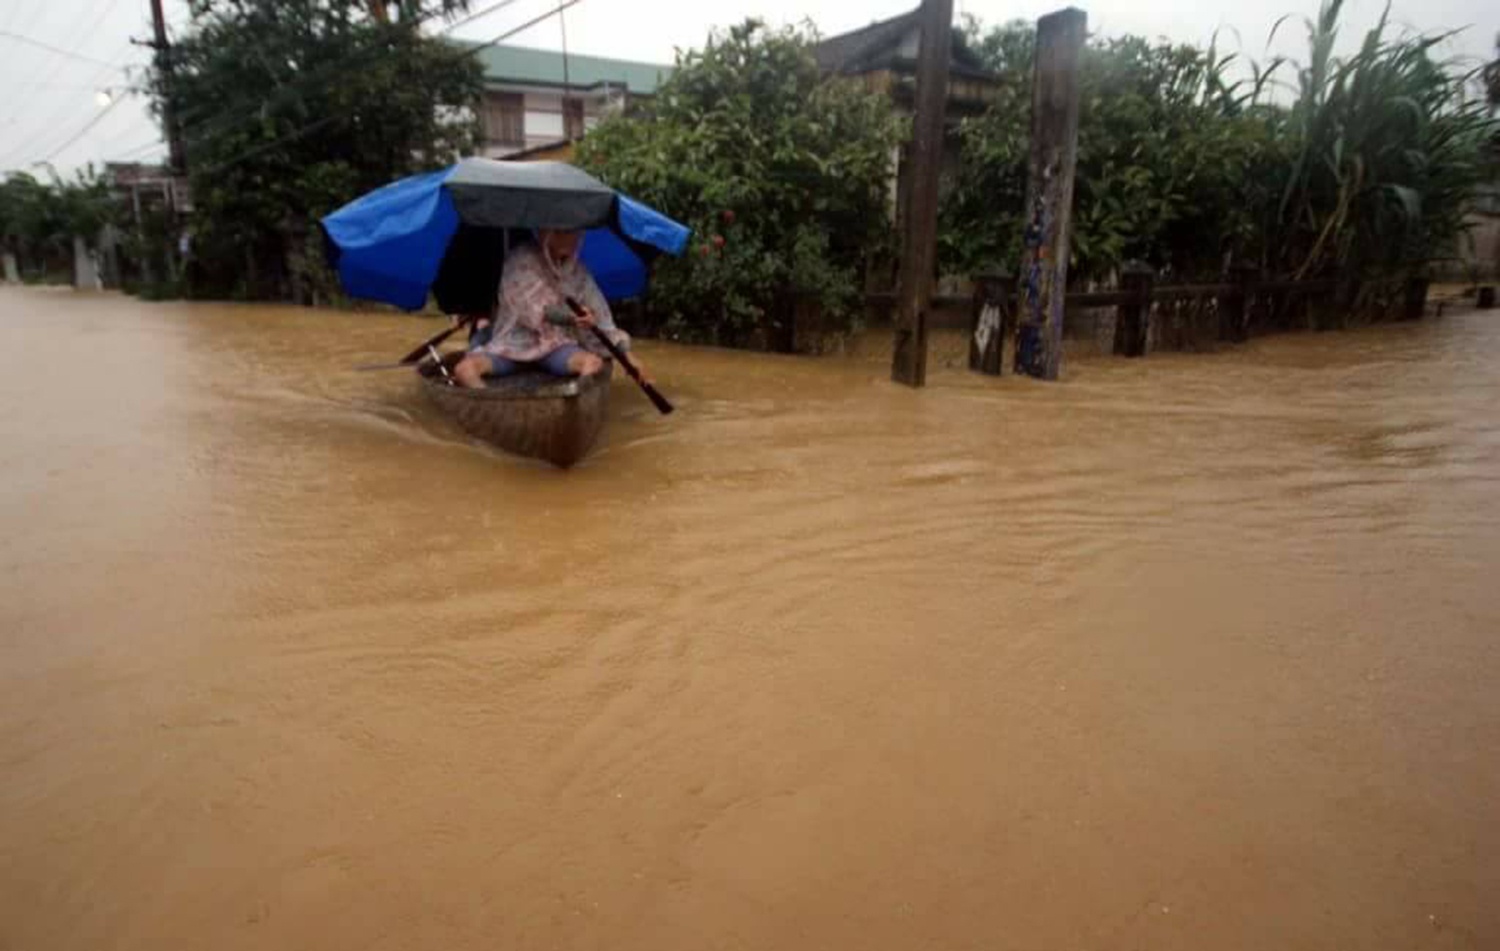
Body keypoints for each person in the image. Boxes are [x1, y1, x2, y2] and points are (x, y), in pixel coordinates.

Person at [451, 229, 646, 388]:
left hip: (553, 345)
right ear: (546, 233)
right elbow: (536, 309)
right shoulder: (521, 261)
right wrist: (572, 318)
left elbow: (602, 322)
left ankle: (572, 407)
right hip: (512, 344)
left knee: (593, 364)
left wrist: (627, 356)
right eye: (562, 232)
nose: (570, 239)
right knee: (465, 370)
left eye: (574, 233)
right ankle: (493, 411)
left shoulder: (578, 272)